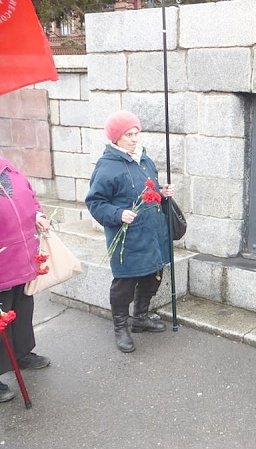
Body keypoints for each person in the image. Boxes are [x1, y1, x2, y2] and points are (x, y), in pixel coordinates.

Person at [86, 111, 175, 353]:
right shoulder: (107, 167)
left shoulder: (144, 160)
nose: (134, 139)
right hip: (127, 236)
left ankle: (141, 318)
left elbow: (150, 190)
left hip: (153, 232)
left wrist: (162, 192)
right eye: (128, 135)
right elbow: (96, 202)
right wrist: (117, 214)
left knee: (153, 276)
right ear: (116, 138)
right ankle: (120, 327)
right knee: (124, 284)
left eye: (136, 133)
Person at [0, 157, 51, 403]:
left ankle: (21, 353)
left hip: (21, 260)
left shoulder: (11, 170)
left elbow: (31, 200)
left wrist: (38, 215)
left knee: (22, 311)